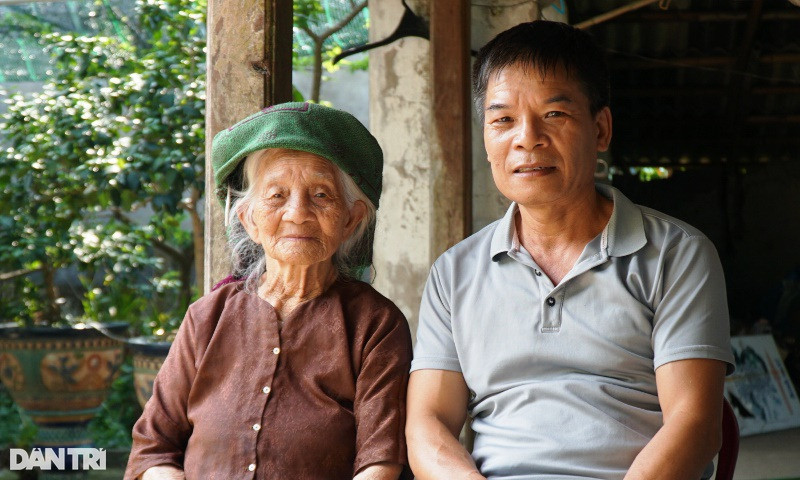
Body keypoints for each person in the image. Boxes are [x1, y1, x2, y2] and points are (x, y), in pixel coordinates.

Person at [406, 21, 735, 480]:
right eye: (502, 120)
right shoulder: (454, 273)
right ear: (485, 138)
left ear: (600, 130)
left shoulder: (677, 255)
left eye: (554, 115)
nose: (526, 138)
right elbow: (428, 423)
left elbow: (696, 424)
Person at [125, 102, 413, 480]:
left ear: (351, 219)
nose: (297, 213)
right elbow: (153, 449)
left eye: (322, 195)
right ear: (250, 220)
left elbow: (381, 461)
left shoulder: (374, 325)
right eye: (277, 195)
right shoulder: (207, 317)